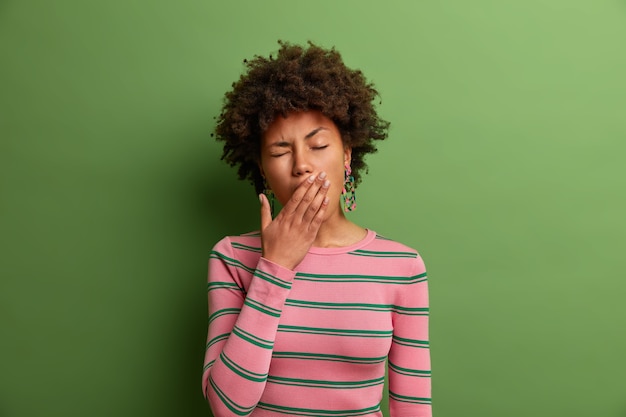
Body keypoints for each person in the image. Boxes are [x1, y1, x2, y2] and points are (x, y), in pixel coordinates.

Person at [202, 41, 431, 417]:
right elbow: (227, 407)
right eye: (279, 151)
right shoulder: (231, 258)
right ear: (261, 168)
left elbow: (414, 407)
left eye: (319, 145)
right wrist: (275, 266)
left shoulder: (401, 266)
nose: (301, 166)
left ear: (346, 155)